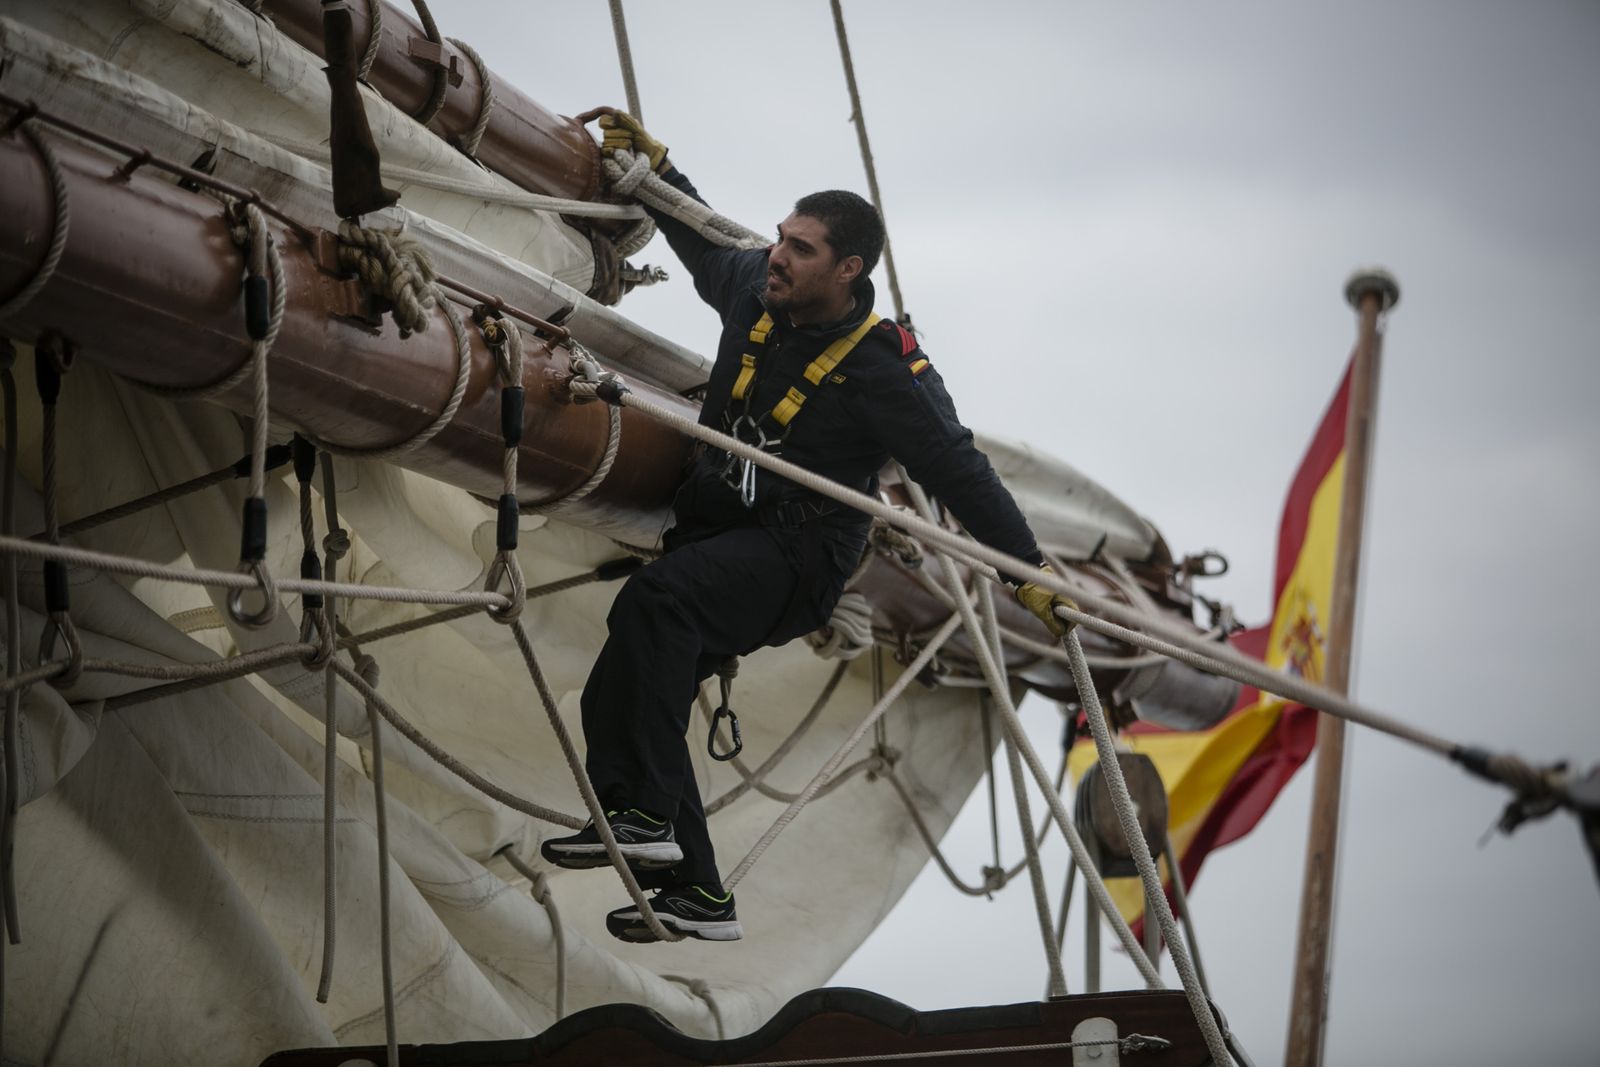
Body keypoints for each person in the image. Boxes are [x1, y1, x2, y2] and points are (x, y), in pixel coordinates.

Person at [541, 111, 1075, 944]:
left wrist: (1027, 573)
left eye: (801, 248)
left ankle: (640, 813)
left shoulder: (882, 370)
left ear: (849, 268)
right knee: (632, 677)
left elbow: (958, 470)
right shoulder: (757, 287)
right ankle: (696, 888)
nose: (778, 256)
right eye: (782, 238)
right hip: (721, 533)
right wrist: (661, 172)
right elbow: (700, 240)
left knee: (658, 605)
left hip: (798, 558)